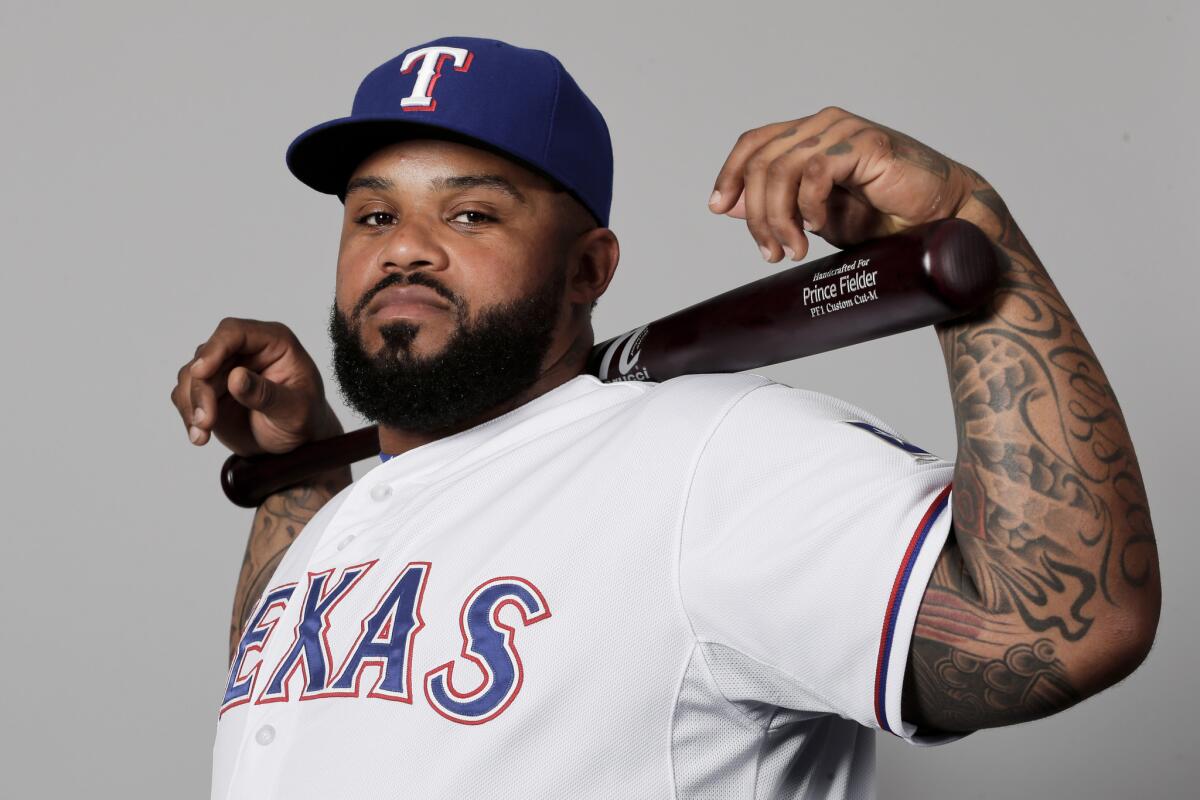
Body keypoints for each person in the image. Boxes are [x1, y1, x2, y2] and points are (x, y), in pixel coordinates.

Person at [171, 36, 1161, 799]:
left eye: (470, 213)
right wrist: (299, 473)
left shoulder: (703, 456)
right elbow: (311, 727)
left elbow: (1058, 622)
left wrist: (978, 237)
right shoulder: (359, 509)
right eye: (375, 215)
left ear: (589, 269)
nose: (405, 250)